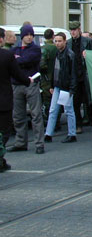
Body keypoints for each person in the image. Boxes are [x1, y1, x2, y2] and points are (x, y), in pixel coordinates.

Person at [9, 24, 45, 154]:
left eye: (31, 35)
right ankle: (20, 142)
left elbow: (27, 60)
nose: (29, 37)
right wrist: (17, 60)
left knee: (36, 115)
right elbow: (12, 63)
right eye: (27, 35)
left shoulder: (35, 49)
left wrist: (17, 60)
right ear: (22, 36)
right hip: (17, 85)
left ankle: (39, 143)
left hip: (31, 85)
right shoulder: (15, 49)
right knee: (18, 116)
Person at [0, 28, 32, 172]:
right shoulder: (7, 55)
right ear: (1, 39)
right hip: (3, 101)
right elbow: (17, 74)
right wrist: (28, 80)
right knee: (4, 133)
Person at [44, 32, 78, 144]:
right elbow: (54, 71)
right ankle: (48, 134)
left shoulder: (70, 55)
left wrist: (72, 88)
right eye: (56, 41)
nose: (57, 43)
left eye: (59, 41)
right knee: (53, 110)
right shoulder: (58, 54)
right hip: (58, 85)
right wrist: (52, 85)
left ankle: (71, 134)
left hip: (66, 86)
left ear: (64, 41)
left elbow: (73, 73)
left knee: (68, 110)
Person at [67, 21, 92, 133]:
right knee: (76, 102)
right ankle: (78, 124)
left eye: (75, 30)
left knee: (89, 100)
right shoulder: (68, 43)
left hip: (85, 73)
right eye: (71, 30)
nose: (73, 32)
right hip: (74, 75)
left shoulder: (87, 41)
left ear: (79, 29)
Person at [40, 29, 58, 127]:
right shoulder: (56, 48)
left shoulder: (44, 48)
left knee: (47, 101)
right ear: (53, 36)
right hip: (57, 77)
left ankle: (49, 122)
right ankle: (57, 122)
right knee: (57, 101)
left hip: (46, 78)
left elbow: (42, 65)